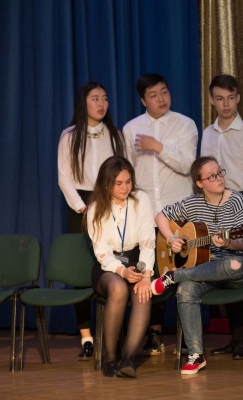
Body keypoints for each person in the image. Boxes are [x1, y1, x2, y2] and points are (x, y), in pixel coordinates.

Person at [150, 156, 243, 375]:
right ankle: (196, 354)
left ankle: (175, 276)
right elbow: (160, 216)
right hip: (209, 271)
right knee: (186, 289)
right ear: (199, 183)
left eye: (220, 172)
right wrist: (172, 239)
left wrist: (228, 242)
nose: (219, 178)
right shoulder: (192, 203)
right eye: (212, 176)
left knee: (232, 263)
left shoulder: (237, 199)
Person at [123, 73, 198, 355]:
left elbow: (188, 165)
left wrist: (159, 147)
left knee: (182, 272)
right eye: (153, 95)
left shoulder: (185, 124)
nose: (161, 99)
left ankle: (188, 337)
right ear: (143, 100)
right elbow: (128, 172)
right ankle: (153, 334)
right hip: (145, 212)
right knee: (151, 272)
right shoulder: (131, 128)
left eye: (164, 92)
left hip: (179, 212)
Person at [58, 81, 131, 361]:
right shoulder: (69, 135)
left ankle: (114, 334)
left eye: (105, 98)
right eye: (95, 99)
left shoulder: (116, 135)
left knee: (113, 264)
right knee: (81, 270)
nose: (101, 104)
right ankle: (86, 337)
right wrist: (82, 207)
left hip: (109, 201)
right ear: (84, 103)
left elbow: (123, 172)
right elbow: (64, 177)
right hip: (80, 205)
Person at [200, 74, 243, 360]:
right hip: (215, 206)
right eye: (219, 98)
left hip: (242, 203)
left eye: (230, 98)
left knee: (241, 273)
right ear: (212, 100)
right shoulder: (207, 134)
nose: (225, 104)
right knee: (222, 272)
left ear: (238, 98)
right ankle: (234, 337)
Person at [86, 155, 155, 378]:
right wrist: (122, 271)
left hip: (138, 260)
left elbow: (148, 240)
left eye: (128, 181)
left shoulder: (141, 199)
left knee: (143, 292)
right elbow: (101, 252)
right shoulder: (95, 208)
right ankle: (109, 358)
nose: (125, 188)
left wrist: (146, 275)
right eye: (118, 183)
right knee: (119, 288)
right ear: (107, 184)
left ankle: (128, 359)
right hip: (109, 266)